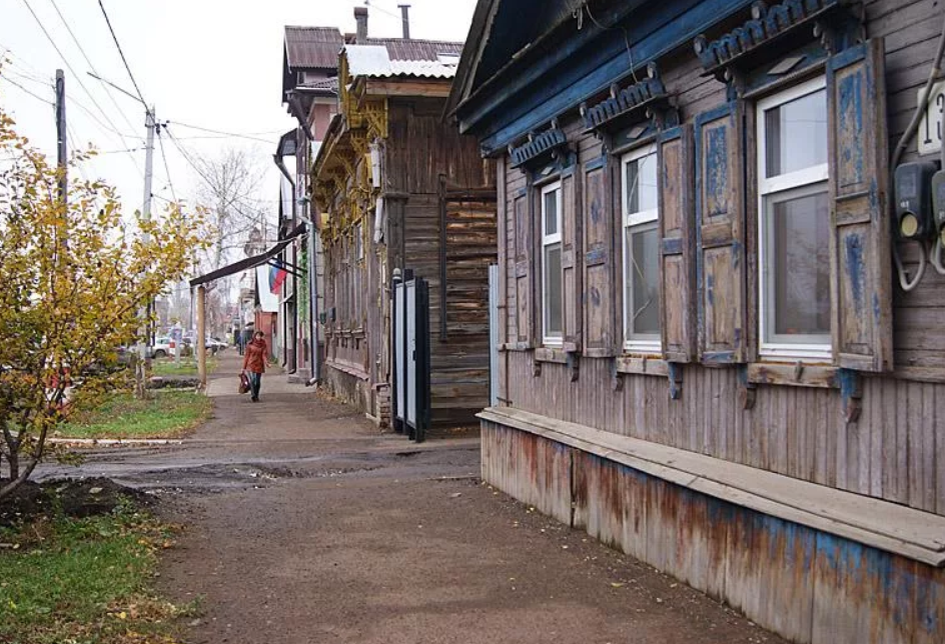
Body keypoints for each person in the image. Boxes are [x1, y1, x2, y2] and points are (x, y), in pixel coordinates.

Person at [242, 331, 268, 402]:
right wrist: (244, 368)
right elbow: (246, 356)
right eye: (257, 336)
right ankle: (253, 395)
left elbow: (264, 355)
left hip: (259, 365)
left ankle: (256, 395)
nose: (258, 337)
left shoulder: (263, 344)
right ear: (254, 336)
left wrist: (267, 363)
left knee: (257, 382)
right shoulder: (250, 344)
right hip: (251, 365)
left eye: (260, 336)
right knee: (252, 380)